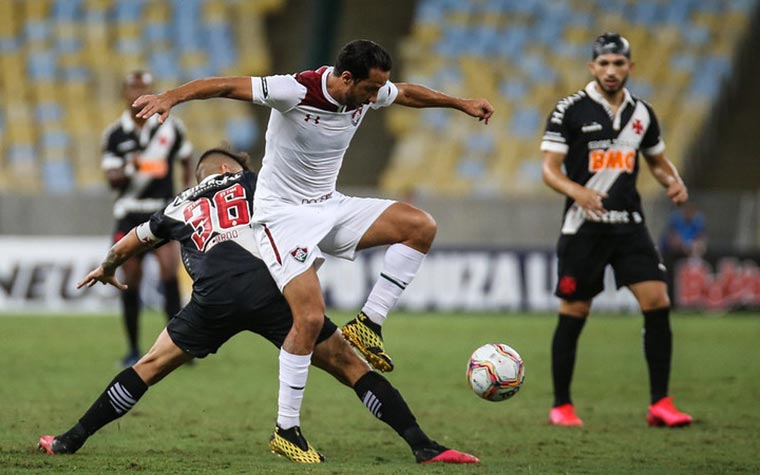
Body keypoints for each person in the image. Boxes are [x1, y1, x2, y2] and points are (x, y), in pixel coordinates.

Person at [132, 39, 494, 436]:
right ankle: (287, 430)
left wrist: (461, 103)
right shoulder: (296, 90)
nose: (376, 98)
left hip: (329, 206)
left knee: (420, 225)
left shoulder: (368, 93)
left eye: (378, 90)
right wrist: (170, 97)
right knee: (308, 318)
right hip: (281, 216)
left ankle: (369, 324)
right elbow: (225, 85)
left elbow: (406, 93)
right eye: (370, 90)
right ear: (345, 78)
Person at [38, 148, 479, 465]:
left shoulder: (175, 206)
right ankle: (423, 445)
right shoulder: (258, 182)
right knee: (349, 364)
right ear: (230, 168)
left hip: (213, 297)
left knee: (149, 365)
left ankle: (68, 441)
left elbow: (131, 240)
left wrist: (106, 266)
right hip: (270, 287)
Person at [540, 33, 693, 427]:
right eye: (604, 64)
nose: (611, 71)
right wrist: (580, 193)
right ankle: (562, 405)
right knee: (576, 309)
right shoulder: (569, 110)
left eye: (618, 64)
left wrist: (671, 181)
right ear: (593, 67)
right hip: (583, 228)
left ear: (630, 67)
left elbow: (657, 161)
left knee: (658, 301)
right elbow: (549, 169)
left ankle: (661, 403)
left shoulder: (642, 114)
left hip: (629, 225)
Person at [102, 70, 194, 366]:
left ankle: (179, 349)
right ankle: (132, 349)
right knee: (131, 278)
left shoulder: (171, 127)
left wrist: (189, 191)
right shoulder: (115, 133)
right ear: (125, 93)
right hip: (130, 212)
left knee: (170, 274)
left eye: (145, 87)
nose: (139, 92)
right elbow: (112, 178)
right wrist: (135, 166)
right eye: (134, 87)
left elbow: (186, 157)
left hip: (161, 211)